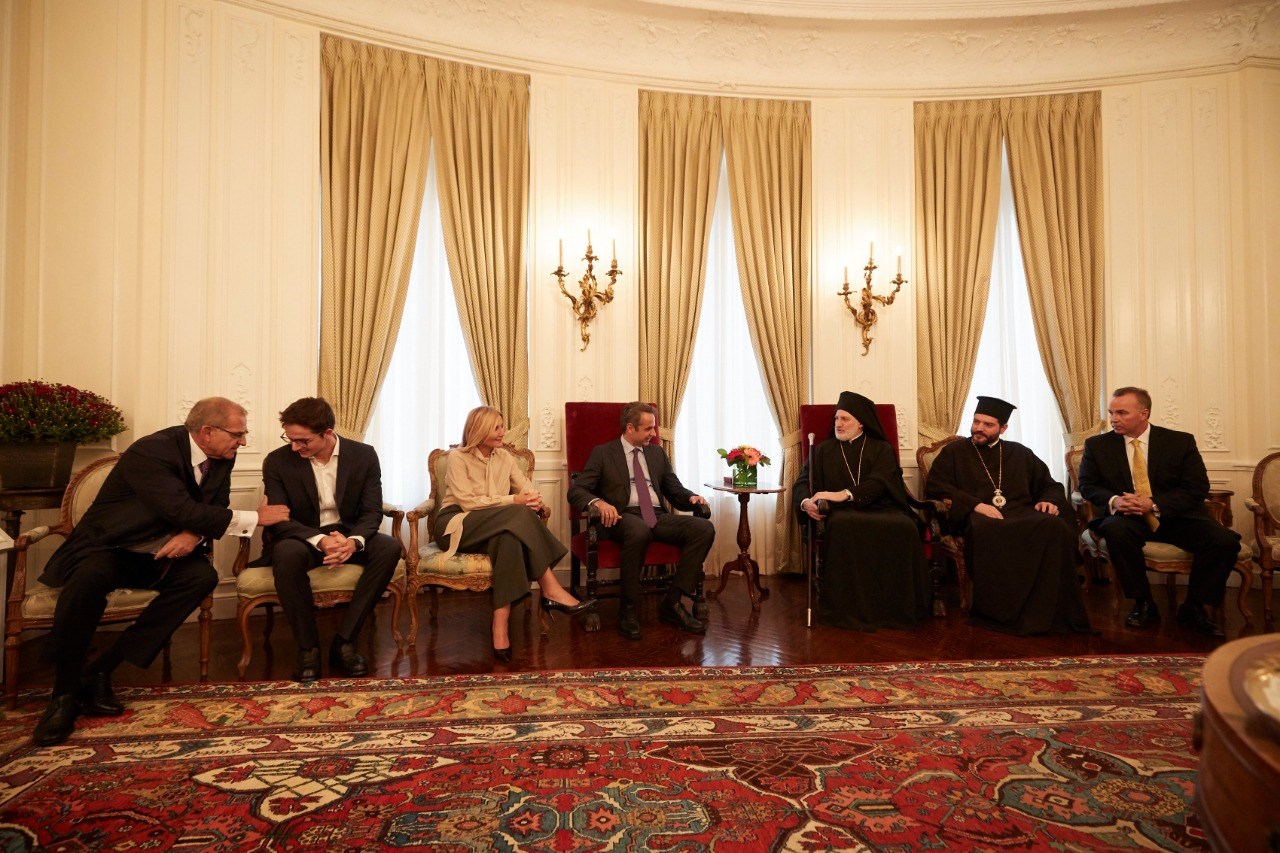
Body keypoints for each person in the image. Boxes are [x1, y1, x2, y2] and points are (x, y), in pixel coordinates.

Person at [32, 397, 290, 746]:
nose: (243, 442)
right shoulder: (152, 451)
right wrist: (257, 517)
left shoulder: (222, 455)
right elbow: (179, 508)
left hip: (157, 553)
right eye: (237, 434)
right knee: (86, 583)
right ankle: (63, 694)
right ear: (207, 431)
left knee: (202, 577)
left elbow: (213, 505)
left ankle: (100, 670)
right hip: (108, 546)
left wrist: (192, 534)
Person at [433, 406, 594, 661]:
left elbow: (525, 487)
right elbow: (468, 503)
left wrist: (533, 498)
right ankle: (550, 586)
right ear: (480, 430)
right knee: (517, 513)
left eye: (502, 426)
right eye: (496, 427)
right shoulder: (457, 458)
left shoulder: (505, 457)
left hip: (496, 524)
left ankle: (500, 627)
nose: (502, 432)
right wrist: (514, 500)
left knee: (508, 538)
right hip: (456, 524)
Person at [1077, 386, 1240, 637]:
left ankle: (1194, 606)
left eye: (1122, 413)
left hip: (1175, 516)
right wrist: (1115, 501)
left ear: (1144, 413)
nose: (1114, 419)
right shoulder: (1097, 445)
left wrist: (1153, 503)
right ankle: (1143, 603)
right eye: (1111, 413)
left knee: (1224, 540)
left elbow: (1197, 487)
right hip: (1127, 518)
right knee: (1116, 531)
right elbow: (1087, 485)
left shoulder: (1179, 442)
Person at [260, 397, 402, 682]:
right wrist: (320, 540)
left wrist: (354, 542)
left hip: (347, 532)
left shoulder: (364, 455)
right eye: (290, 439)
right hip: (301, 536)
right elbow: (280, 518)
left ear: (327, 433)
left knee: (390, 547)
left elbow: (372, 511)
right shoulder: (277, 461)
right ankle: (308, 648)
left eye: (303, 441)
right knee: (287, 554)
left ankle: (344, 642)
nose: (295, 447)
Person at [925, 395, 1091, 635]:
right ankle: (999, 611)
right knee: (985, 528)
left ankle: (1048, 607)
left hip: (1020, 511)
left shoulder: (1019, 453)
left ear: (1002, 428)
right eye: (976, 422)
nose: (979, 428)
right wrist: (974, 505)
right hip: (978, 515)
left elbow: (1050, 485)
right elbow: (937, 485)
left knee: (1053, 526)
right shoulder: (954, 452)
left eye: (987, 424)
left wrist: (1050, 501)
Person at [566, 401, 715, 641]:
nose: (654, 434)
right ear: (630, 428)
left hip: (657, 515)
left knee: (704, 528)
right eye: (648, 429)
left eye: (653, 427)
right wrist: (599, 503)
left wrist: (691, 497)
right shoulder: (603, 453)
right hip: (623, 516)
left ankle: (672, 603)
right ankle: (628, 609)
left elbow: (674, 488)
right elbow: (577, 491)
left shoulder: (656, 453)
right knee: (639, 530)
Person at [793, 391, 930, 631]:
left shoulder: (881, 449)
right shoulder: (823, 450)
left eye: (845, 419)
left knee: (906, 526)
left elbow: (880, 482)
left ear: (861, 423)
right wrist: (806, 502)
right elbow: (803, 482)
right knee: (841, 524)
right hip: (841, 514)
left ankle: (897, 609)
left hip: (882, 507)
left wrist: (844, 493)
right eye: (836, 418)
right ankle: (846, 610)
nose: (838, 424)